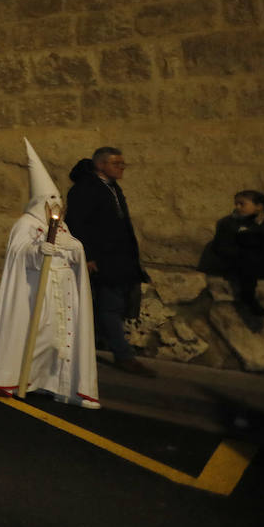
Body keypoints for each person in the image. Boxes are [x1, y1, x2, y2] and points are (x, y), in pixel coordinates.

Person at [0, 139, 100, 408]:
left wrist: (73, 248)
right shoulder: (26, 224)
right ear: (40, 202)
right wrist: (37, 251)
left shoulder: (62, 226)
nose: (55, 206)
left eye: (58, 201)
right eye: (50, 201)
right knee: (40, 337)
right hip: (36, 293)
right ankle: (23, 380)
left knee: (62, 342)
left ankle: (59, 385)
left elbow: (74, 248)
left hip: (62, 291)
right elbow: (18, 253)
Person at [64, 147, 154, 376]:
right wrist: (88, 255)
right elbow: (77, 223)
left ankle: (92, 348)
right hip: (103, 259)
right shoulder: (85, 189)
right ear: (100, 165)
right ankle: (123, 356)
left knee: (112, 306)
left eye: (122, 163)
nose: (121, 167)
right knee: (109, 307)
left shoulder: (112, 188)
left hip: (119, 258)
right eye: (116, 163)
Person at [209, 190, 264, 317]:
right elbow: (221, 247)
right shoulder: (229, 223)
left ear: (259, 206)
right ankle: (249, 300)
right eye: (236, 204)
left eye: (242, 204)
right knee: (250, 259)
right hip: (245, 264)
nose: (237, 207)